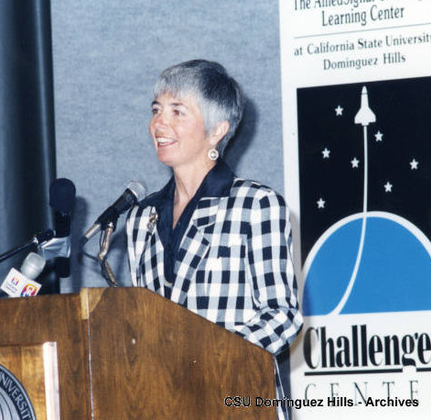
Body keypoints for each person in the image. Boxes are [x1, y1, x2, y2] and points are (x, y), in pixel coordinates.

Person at [126, 59, 303, 419]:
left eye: (178, 112)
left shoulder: (256, 205)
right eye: (157, 110)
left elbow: (283, 316)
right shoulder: (140, 218)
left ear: (217, 130)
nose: (159, 123)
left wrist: (208, 359)